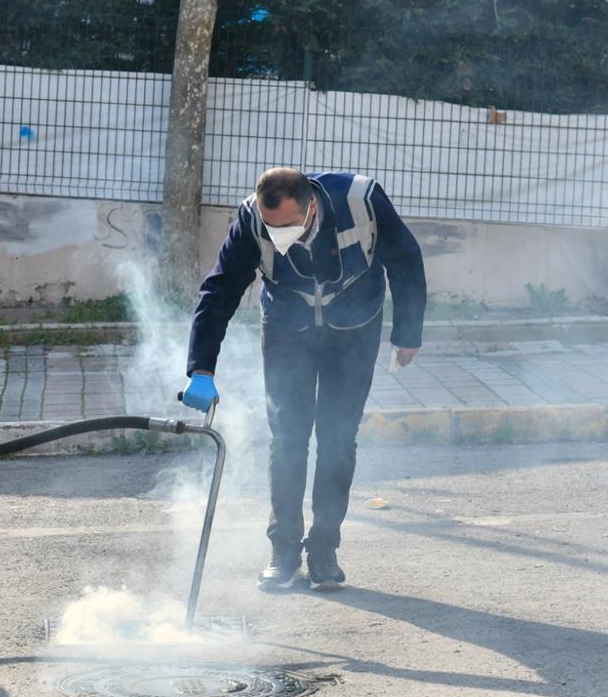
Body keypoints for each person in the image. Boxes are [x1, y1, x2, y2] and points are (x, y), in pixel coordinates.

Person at [181, 167, 426, 591]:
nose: (278, 235)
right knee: (288, 438)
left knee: (336, 439)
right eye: (271, 226)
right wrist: (201, 368)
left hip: (354, 329)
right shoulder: (252, 219)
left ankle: (325, 549)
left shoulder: (360, 200)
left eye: (288, 225)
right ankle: (284, 551)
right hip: (286, 331)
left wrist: (407, 333)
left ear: (311, 207)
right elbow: (220, 289)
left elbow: (405, 259)